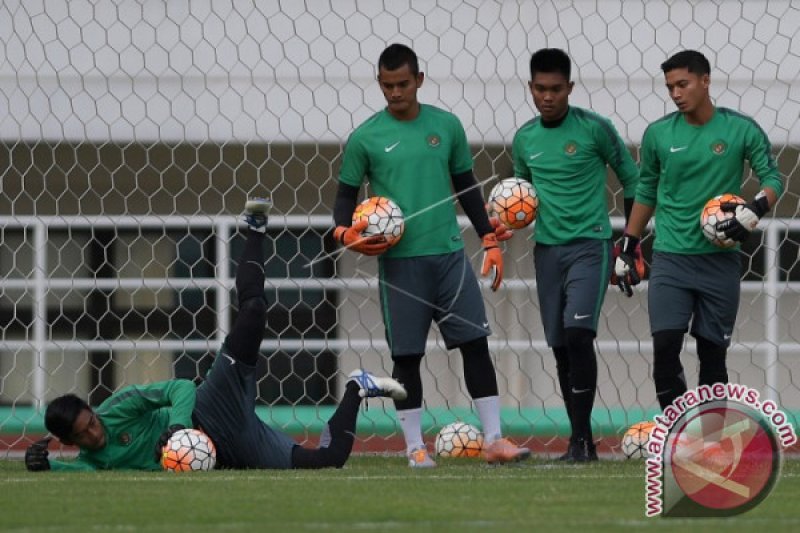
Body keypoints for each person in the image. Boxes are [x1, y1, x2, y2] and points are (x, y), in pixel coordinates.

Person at [24, 198, 408, 472]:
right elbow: (77, 471)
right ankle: (358, 388)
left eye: (91, 421)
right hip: (230, 447)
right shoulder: (93, 461)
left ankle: (255, 231)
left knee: (254, 312)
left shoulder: (118, 407)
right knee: (329, 461)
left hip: (211, 407)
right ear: (71, 444)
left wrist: (176, 428)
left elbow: (181, 389)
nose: (96, 431)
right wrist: (44, 466)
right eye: (85, 435)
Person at [332, 43, 530, 468]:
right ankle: (414, 447)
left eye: (403, 83)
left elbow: (467, 186)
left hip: (449, 257)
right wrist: (343, 232)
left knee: (475, 344)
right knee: (407, 356)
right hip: (400, 264)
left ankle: (494, 439)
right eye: (387, 85)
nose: (395, 92)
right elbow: (344, 199)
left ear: (419, 80)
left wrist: (489, 240)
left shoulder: (447, 127)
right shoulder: (365, 137)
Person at [615, 50, 783, 411]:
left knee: (712, 354)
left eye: (682, 84)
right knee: (665, 346)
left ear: (705, 81)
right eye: (670, 86)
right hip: (671, 260)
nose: (675, 93)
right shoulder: (659, 134)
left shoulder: (740, 129)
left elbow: (773, 179)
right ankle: (678, 437)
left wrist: (754, 210)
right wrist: (628, 244)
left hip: (719, 262)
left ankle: (711, 441)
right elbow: (646, 190)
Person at [510, 48, 640, 461]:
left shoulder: (595, 129)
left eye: (555, 89)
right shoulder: (524, 139)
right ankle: (579, 440)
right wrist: (503, 220)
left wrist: (632, 244)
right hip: (547, 251)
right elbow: (521, 197)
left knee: (579, 334)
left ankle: (581, 442)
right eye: (540, 89)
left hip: (591, 244)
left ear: (569, 87)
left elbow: (633, 180)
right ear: (530, 88)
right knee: (560, 345)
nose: (547, 97)